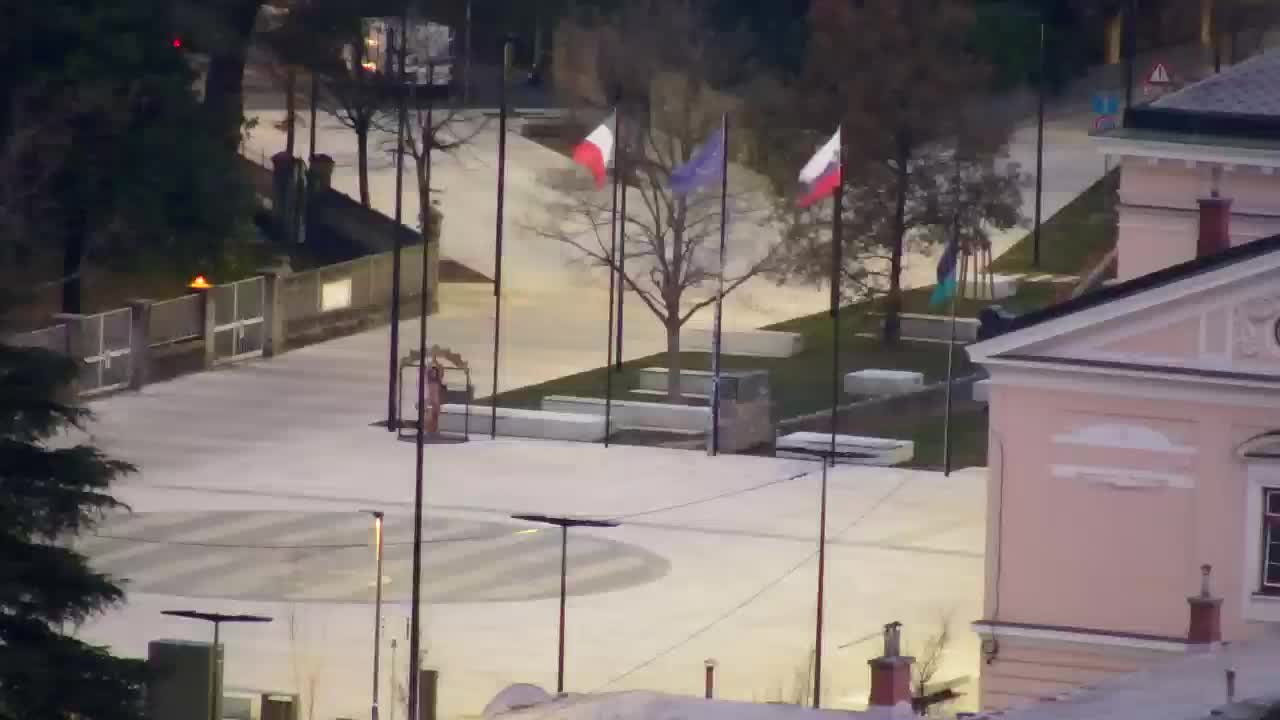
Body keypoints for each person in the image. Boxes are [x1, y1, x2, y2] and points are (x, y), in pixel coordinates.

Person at [425, 362, 445, 435]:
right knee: (430, 415)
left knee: (436, 416)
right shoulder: (429, 380)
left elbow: (441, 370)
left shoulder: (438, 381)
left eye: (435, 372)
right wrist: (431, 364)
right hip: (430, 400)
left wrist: (437, 363)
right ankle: (429, 430)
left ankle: (435, 430)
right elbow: (427, 370)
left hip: (436, 401)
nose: (434, 374)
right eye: (432, 372)